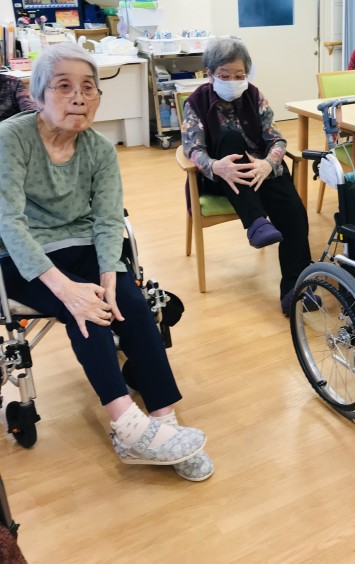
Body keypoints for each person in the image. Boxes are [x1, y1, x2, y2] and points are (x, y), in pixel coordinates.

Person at [0, 43, 213, 482]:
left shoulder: (99, 149)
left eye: (88, 88)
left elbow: (108, 219)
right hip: (23, 258)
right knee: (87, 312)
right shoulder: (10, 139)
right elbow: (10, 224)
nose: (78, 97)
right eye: (63, 86)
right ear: (38, 95)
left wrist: (112, 273)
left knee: (131, 304)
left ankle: (165, 421)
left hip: (82, 245)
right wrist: (67, 289)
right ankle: (128, 428)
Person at [182, 36, 314, 315]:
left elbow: (276, 139)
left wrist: (267, 164)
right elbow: (192, 148)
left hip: (259, 171)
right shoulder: (196, 102)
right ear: (209, 74)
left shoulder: (255, 96)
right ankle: (255, 222)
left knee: (294, 213)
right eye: (224, 75)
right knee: (230, 138)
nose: (232, 80)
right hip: (222, 175)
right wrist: (215, 166)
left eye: (239, 75)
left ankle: (296, 288)